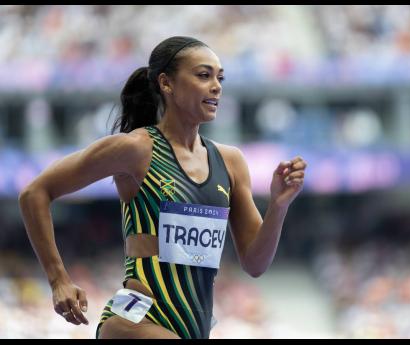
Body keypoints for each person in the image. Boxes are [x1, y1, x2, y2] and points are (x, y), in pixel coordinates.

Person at [18, 36, 307, 339]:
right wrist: (58, 279)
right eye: (203, 75)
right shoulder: (136, 149)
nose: (217, 86)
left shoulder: (230, 162)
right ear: (166, 83)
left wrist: (278, 206)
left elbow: (255, 263)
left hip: (193, 328)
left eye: (219, 77)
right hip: (134, 320)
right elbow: (34, 193)